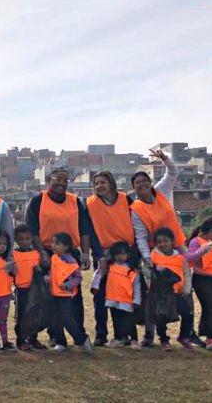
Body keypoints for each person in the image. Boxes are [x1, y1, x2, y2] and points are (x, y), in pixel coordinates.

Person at [24, 168, 91, 345]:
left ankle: (79, 334)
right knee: (48, 296)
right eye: (57, 179)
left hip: (70, 255)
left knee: (73, 295)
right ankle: (54, 335)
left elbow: (84, 229)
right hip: (46, 252)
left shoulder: (76, 202)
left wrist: (85, 253)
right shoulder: (38, 201)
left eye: (65, 180)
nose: (61, 183)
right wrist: (41, 254)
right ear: (48, 180)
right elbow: (33, 231)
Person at [129, 148, 186, 347]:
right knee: (152, 294)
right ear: (134, 188)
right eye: (137, 183)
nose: (142, 185)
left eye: (145, 181)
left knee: (185, 288)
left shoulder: (161, 191)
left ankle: (187, 332)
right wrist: (148, 259)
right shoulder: (135, 209)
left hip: (178, 246)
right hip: (156, 254)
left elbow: (173, 173)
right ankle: (150, 334)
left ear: (150, 183)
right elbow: (141, 236)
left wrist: (164, 158)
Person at [85, 170, 135, 346]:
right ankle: (101, 334)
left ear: (111, 183)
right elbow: (89, 231)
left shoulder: (125, 200)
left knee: (121, 295)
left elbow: (135, 223)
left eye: (103, 182)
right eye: (96, 183)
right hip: (103, 254)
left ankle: (123, 334)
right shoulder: (90, 204)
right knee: (100, 296)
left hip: (124, 254)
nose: (99, 186)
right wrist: (99, 255)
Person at [185, 216, 212, 351]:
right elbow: (189, 257)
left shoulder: (211, 242)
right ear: (211, 231)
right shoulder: (196, 241)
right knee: (210, 308)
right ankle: (209, 337)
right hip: (203, 280)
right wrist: (202, 250)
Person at [46, 233, 93, 354]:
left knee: (67, 319)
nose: (53, 246)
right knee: (55, 318)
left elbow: (78, 278)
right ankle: (61, 342)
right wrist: (48, 278)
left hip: (66, 296)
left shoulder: (71, 261)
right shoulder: (54, 258)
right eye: (53, 243)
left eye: (57, 243)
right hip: (54, 294)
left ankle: (82, 339)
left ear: (66, 247)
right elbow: (53, 273)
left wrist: (67, 285)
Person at [151, 228, 194, 351]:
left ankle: (184, 336)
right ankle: (164, 339)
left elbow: (186, 273)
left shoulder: (180, 258)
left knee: (188, 314)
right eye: (159, 242)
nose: (163, 244)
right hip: (161, 295)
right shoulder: (153, 256)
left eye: (166, 241)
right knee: (161, 318)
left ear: (172, 241)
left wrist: (186, 289)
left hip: (177, 293)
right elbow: (148, 273)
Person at [92, 242, 140, 350]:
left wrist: (136, 300)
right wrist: (94, 286)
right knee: (116, 320)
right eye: (118, 254)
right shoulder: (110, 267)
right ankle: (117, 338)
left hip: (127, 300)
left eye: (123, 254)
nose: (120, 256)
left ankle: (134, 340)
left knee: (129, 321)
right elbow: (98, 274)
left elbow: (136, 286)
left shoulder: (132, 270)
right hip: (113, 299)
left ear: (128, 254)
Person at [11, 224, 47, 351]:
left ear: (31, 239)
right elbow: (11, 273)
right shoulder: (14, 254)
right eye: (21, 239)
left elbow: (39, 270)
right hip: (21, 290)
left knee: (35, 313)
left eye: (27, 238)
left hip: (35, 290)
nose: (24, 242)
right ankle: (21, 340)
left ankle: (33, 338)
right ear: (16, 240)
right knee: (21, 315)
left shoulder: (36, 254)